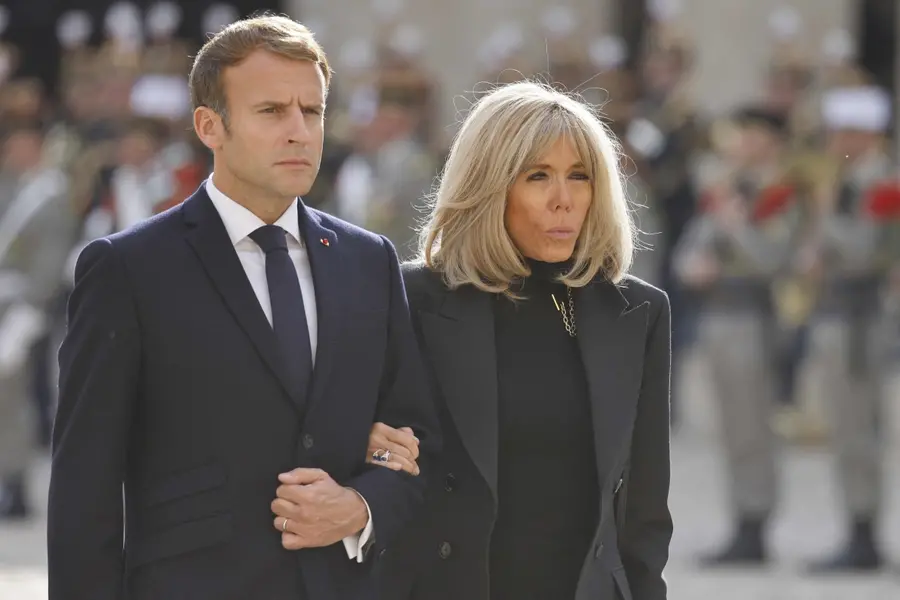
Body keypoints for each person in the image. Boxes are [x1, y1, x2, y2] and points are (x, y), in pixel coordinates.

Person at [48, 15, 439, 600]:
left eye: (312, 111)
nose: (299, 132)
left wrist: (361, 505)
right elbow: (85, 487)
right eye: (272, 111)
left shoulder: (369, 262)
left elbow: (418, 438)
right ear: (210, 126)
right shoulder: (128, 270)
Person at [369, 81, 673, 600]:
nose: (564, 200)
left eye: (579, 176)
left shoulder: (636, 311)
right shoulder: (409, 298)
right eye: (538, 176)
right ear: (488, 185)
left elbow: (643, 518)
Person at [674, 106, 816, 565]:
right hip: (717, 313)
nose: (742, 144)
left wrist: (735, 230)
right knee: (731, 426)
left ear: (773, 142)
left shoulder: (781, 195)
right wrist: (693, 265)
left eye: (753, 135)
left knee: (753, 424)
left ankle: (755, 521)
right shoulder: (729, 189)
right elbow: (690, 247)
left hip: (755, 315)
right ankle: (741, 518)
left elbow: (774, 259)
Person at [804, 85, 897, 571]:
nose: (836, 141)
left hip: (863, 317)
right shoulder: (849, 179)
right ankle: (857, 528)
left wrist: (825, 222)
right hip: (839, 312)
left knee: (859, 428)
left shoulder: (881, 182)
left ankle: (864, 536)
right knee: (845, 427)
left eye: (846, 132)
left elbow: (865, 250)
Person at [0, 121, 78, 520]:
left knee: (12, 393)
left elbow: (50, 258)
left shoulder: (53, 194)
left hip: (22, 307)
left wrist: (31, 307)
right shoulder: (12, 187)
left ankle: (13, 483)